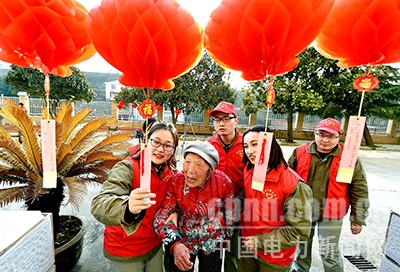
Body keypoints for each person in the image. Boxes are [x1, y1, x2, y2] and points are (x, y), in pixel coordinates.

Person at [91, 123, 179, 272]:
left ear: (173, 150)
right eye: (156, 142)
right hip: (125, 251)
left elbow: (176, 202)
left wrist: (176, 212)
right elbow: (100, 204)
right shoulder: (127, 168)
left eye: (167, 145)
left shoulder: (170, 174)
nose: (160, 149)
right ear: (146, 141)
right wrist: (127, 207)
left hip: (155, 248)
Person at [288, 118, 370, 272]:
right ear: (315, 134)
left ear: (339, 137)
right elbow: (286, 180)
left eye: (331, 136)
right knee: (301, 248)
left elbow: (359, 189)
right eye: (321, 134)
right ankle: (300, 270)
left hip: (332, 212)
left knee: (329, 251)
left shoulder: (348, 158)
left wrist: (358, 217)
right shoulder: (300, 152)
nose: (325, 139)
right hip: (303, 211)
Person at [153, 140, 236, 272]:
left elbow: (230, 212)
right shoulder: (175, 182)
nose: (190, 170)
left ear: (210, 169)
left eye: (199, 165)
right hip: (183, 241)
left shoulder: (223, 182)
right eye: (187, 161)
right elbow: (161, 217)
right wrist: (175, 244)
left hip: (213, 242)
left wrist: (227, 237)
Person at [239, 126, 313, 272]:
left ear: (270, 145)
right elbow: (245, 196)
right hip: (247, 246)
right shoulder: (249, 169)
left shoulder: (293, 184)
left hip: (275, 256)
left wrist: (259, 241)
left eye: (255, 144)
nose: (249, 151)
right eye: (245, 146)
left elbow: (298, 231)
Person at [207, 101, 244, 271]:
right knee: (213, 250)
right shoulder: (209, 145)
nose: (221, 123)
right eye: (216, 119)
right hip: (214, 207)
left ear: (236, 120)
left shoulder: (247, 144)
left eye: (226, 118)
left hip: (240, 206)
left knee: (233, 250)